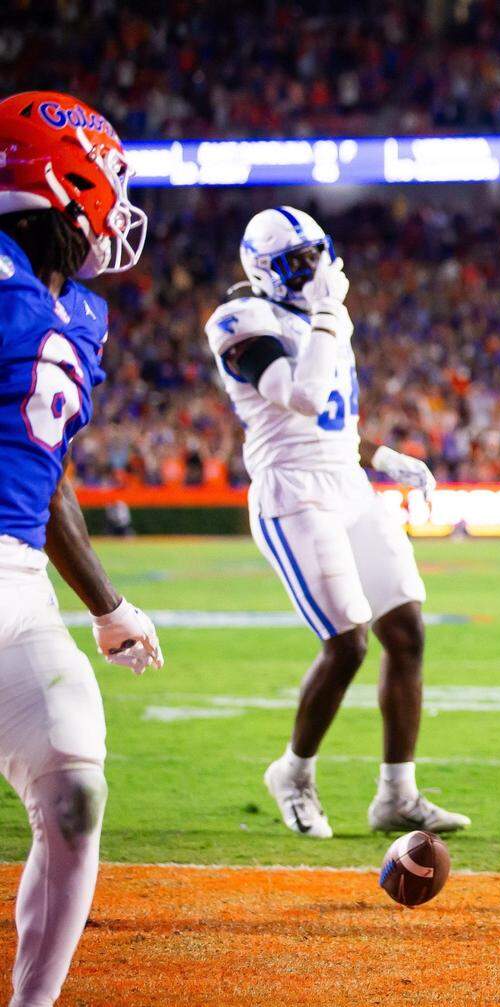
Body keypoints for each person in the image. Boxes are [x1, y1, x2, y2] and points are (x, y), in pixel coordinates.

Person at [204, 207, 469, 838]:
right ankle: (293, 773)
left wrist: (384, 457)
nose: (315, 271)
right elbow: (301, 396)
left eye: (317, 255)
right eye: (298, 262)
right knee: (347, 642)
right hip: (291, 493)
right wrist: (327, 316)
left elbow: (334, 426)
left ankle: (396, 794)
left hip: (347, 484)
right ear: (264, 270)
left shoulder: (324, 318)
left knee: (405, 629)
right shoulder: (239, 320)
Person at [0, 91, 163, 1005]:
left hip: (18, 582)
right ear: (63, 183)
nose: (114, 207)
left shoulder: (79, 315)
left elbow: (48, 471)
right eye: (106, 184)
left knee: (74, 783)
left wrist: (105, 606)